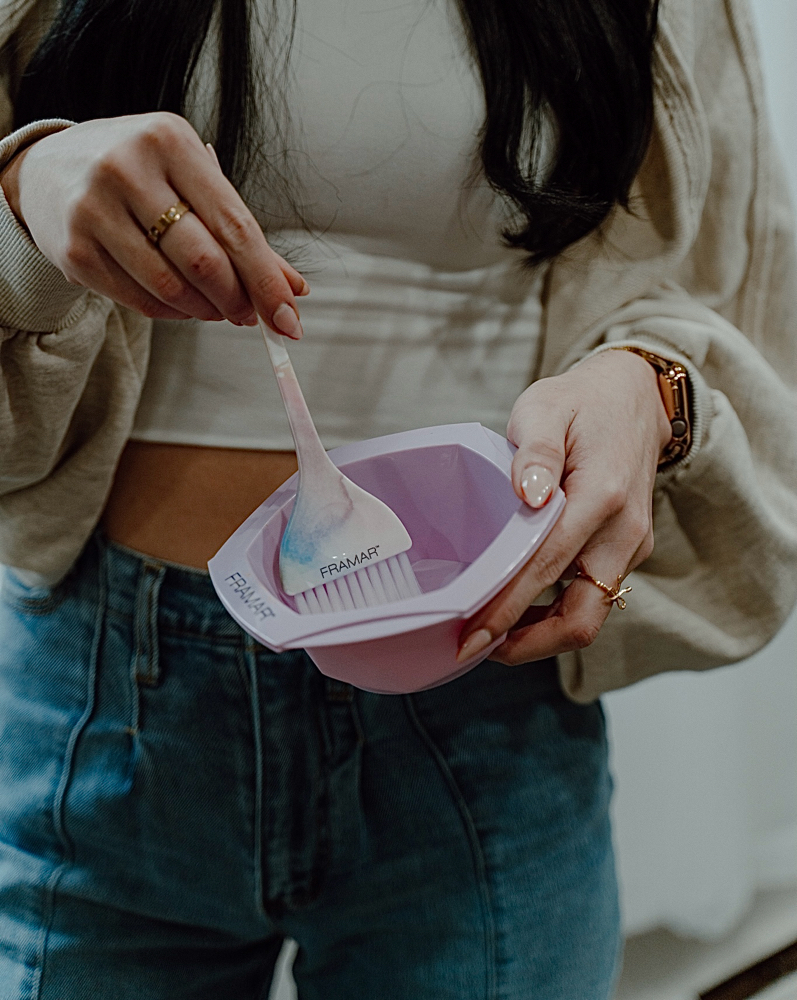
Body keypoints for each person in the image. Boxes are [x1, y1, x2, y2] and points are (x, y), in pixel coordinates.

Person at [1, 0, 795, 996]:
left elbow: (721, 288)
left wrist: (650, 383)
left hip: (483, 690)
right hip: (106, 688)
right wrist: (22, 196)